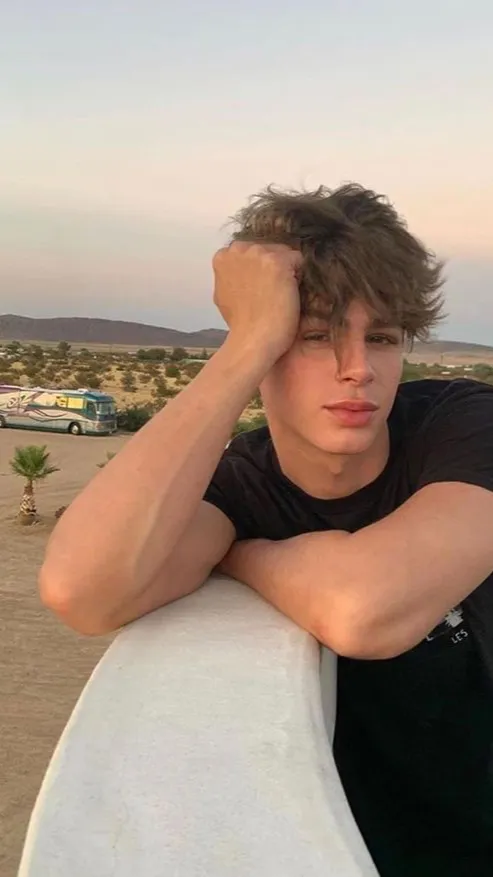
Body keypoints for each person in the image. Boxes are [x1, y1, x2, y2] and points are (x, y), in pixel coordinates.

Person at [40, 184, 493, 876]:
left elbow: (366, 610)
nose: (357, 368)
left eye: (380, 337)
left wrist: (244, 554)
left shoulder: (461, 425)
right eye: (314, 336)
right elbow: (82, 591)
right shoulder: (236, 485)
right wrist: (243, 345)